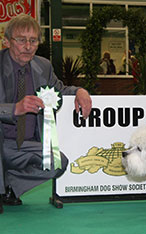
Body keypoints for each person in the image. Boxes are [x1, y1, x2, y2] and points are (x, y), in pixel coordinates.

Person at [0, 14, 92, 213]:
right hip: (3, 142)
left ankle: (9, 187)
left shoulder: (43, 66)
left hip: (26, 145)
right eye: (21, 40)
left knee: (58, 162)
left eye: (33, 40)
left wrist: (79, 91)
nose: (28, 46)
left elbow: (59, 90)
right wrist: (14, 108)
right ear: (6, 41)